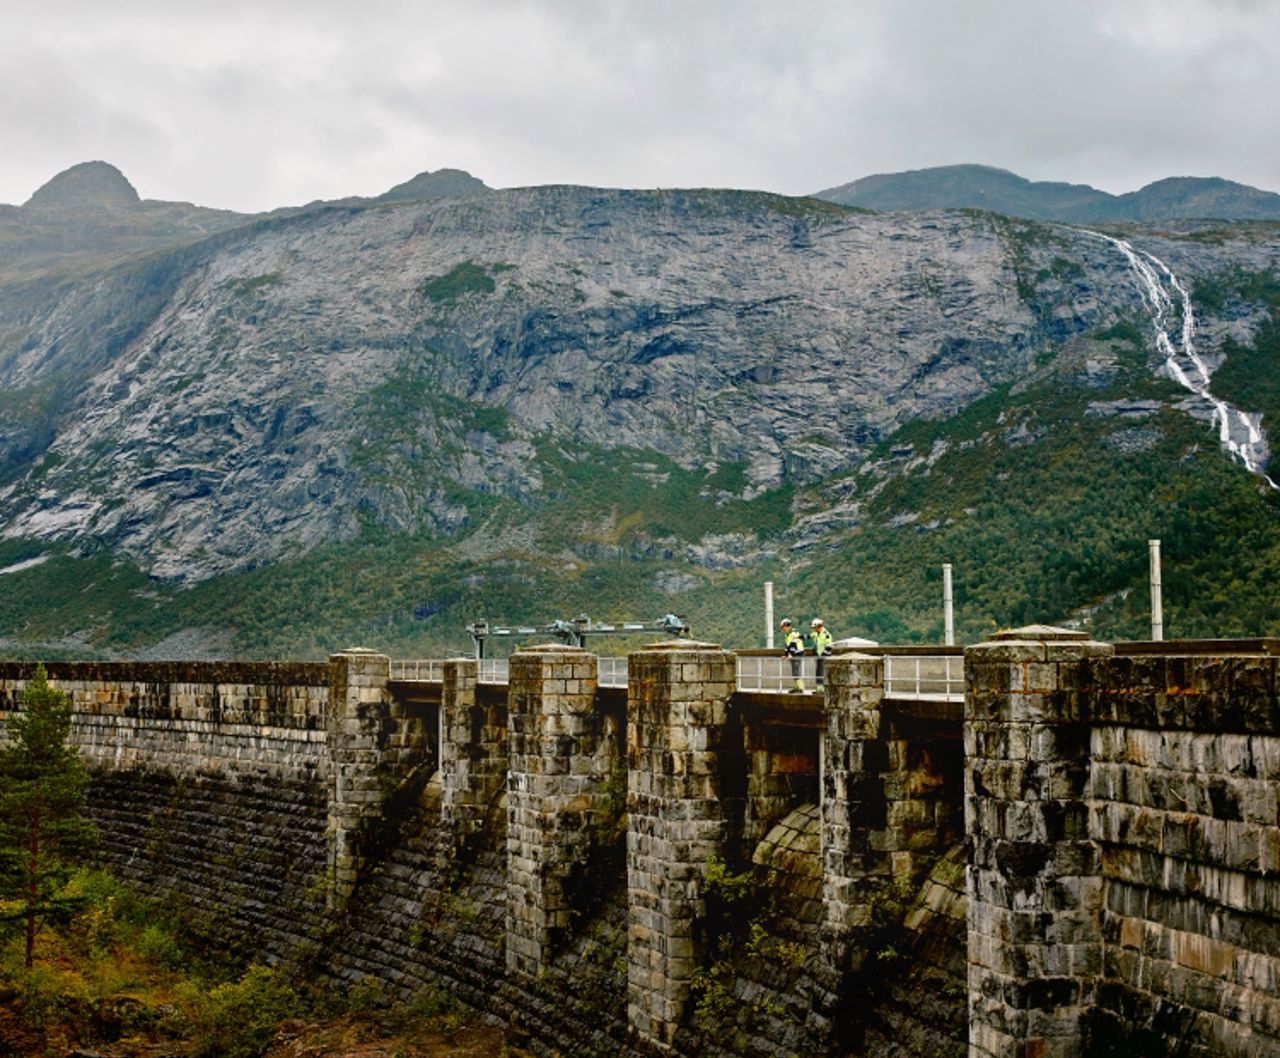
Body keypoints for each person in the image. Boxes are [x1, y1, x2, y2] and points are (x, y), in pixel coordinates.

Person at [780, 618, 806, 692]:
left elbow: (793, 645)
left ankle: (800, 688)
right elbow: (787, 646)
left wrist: (791, 655)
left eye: (783, 627)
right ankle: (796, 687)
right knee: (794, 670)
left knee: (796, 670)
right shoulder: (787, 635)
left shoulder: (794, 634)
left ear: (787, 626)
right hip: (793, 654)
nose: (783, 629)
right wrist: (786, 655)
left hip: (798, 653)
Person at [810, 617, 833, 690]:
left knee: (822, 672)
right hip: (819, 656)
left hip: (824, 656)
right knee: (818, 672)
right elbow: (809, 636)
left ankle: (822, 688)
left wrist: (822, 656)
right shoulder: (816, 633)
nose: (814, 629)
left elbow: (828, 647)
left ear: (819, 626)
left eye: (815, 627)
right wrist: (798, 637)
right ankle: (819, 687)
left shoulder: (826, 634)